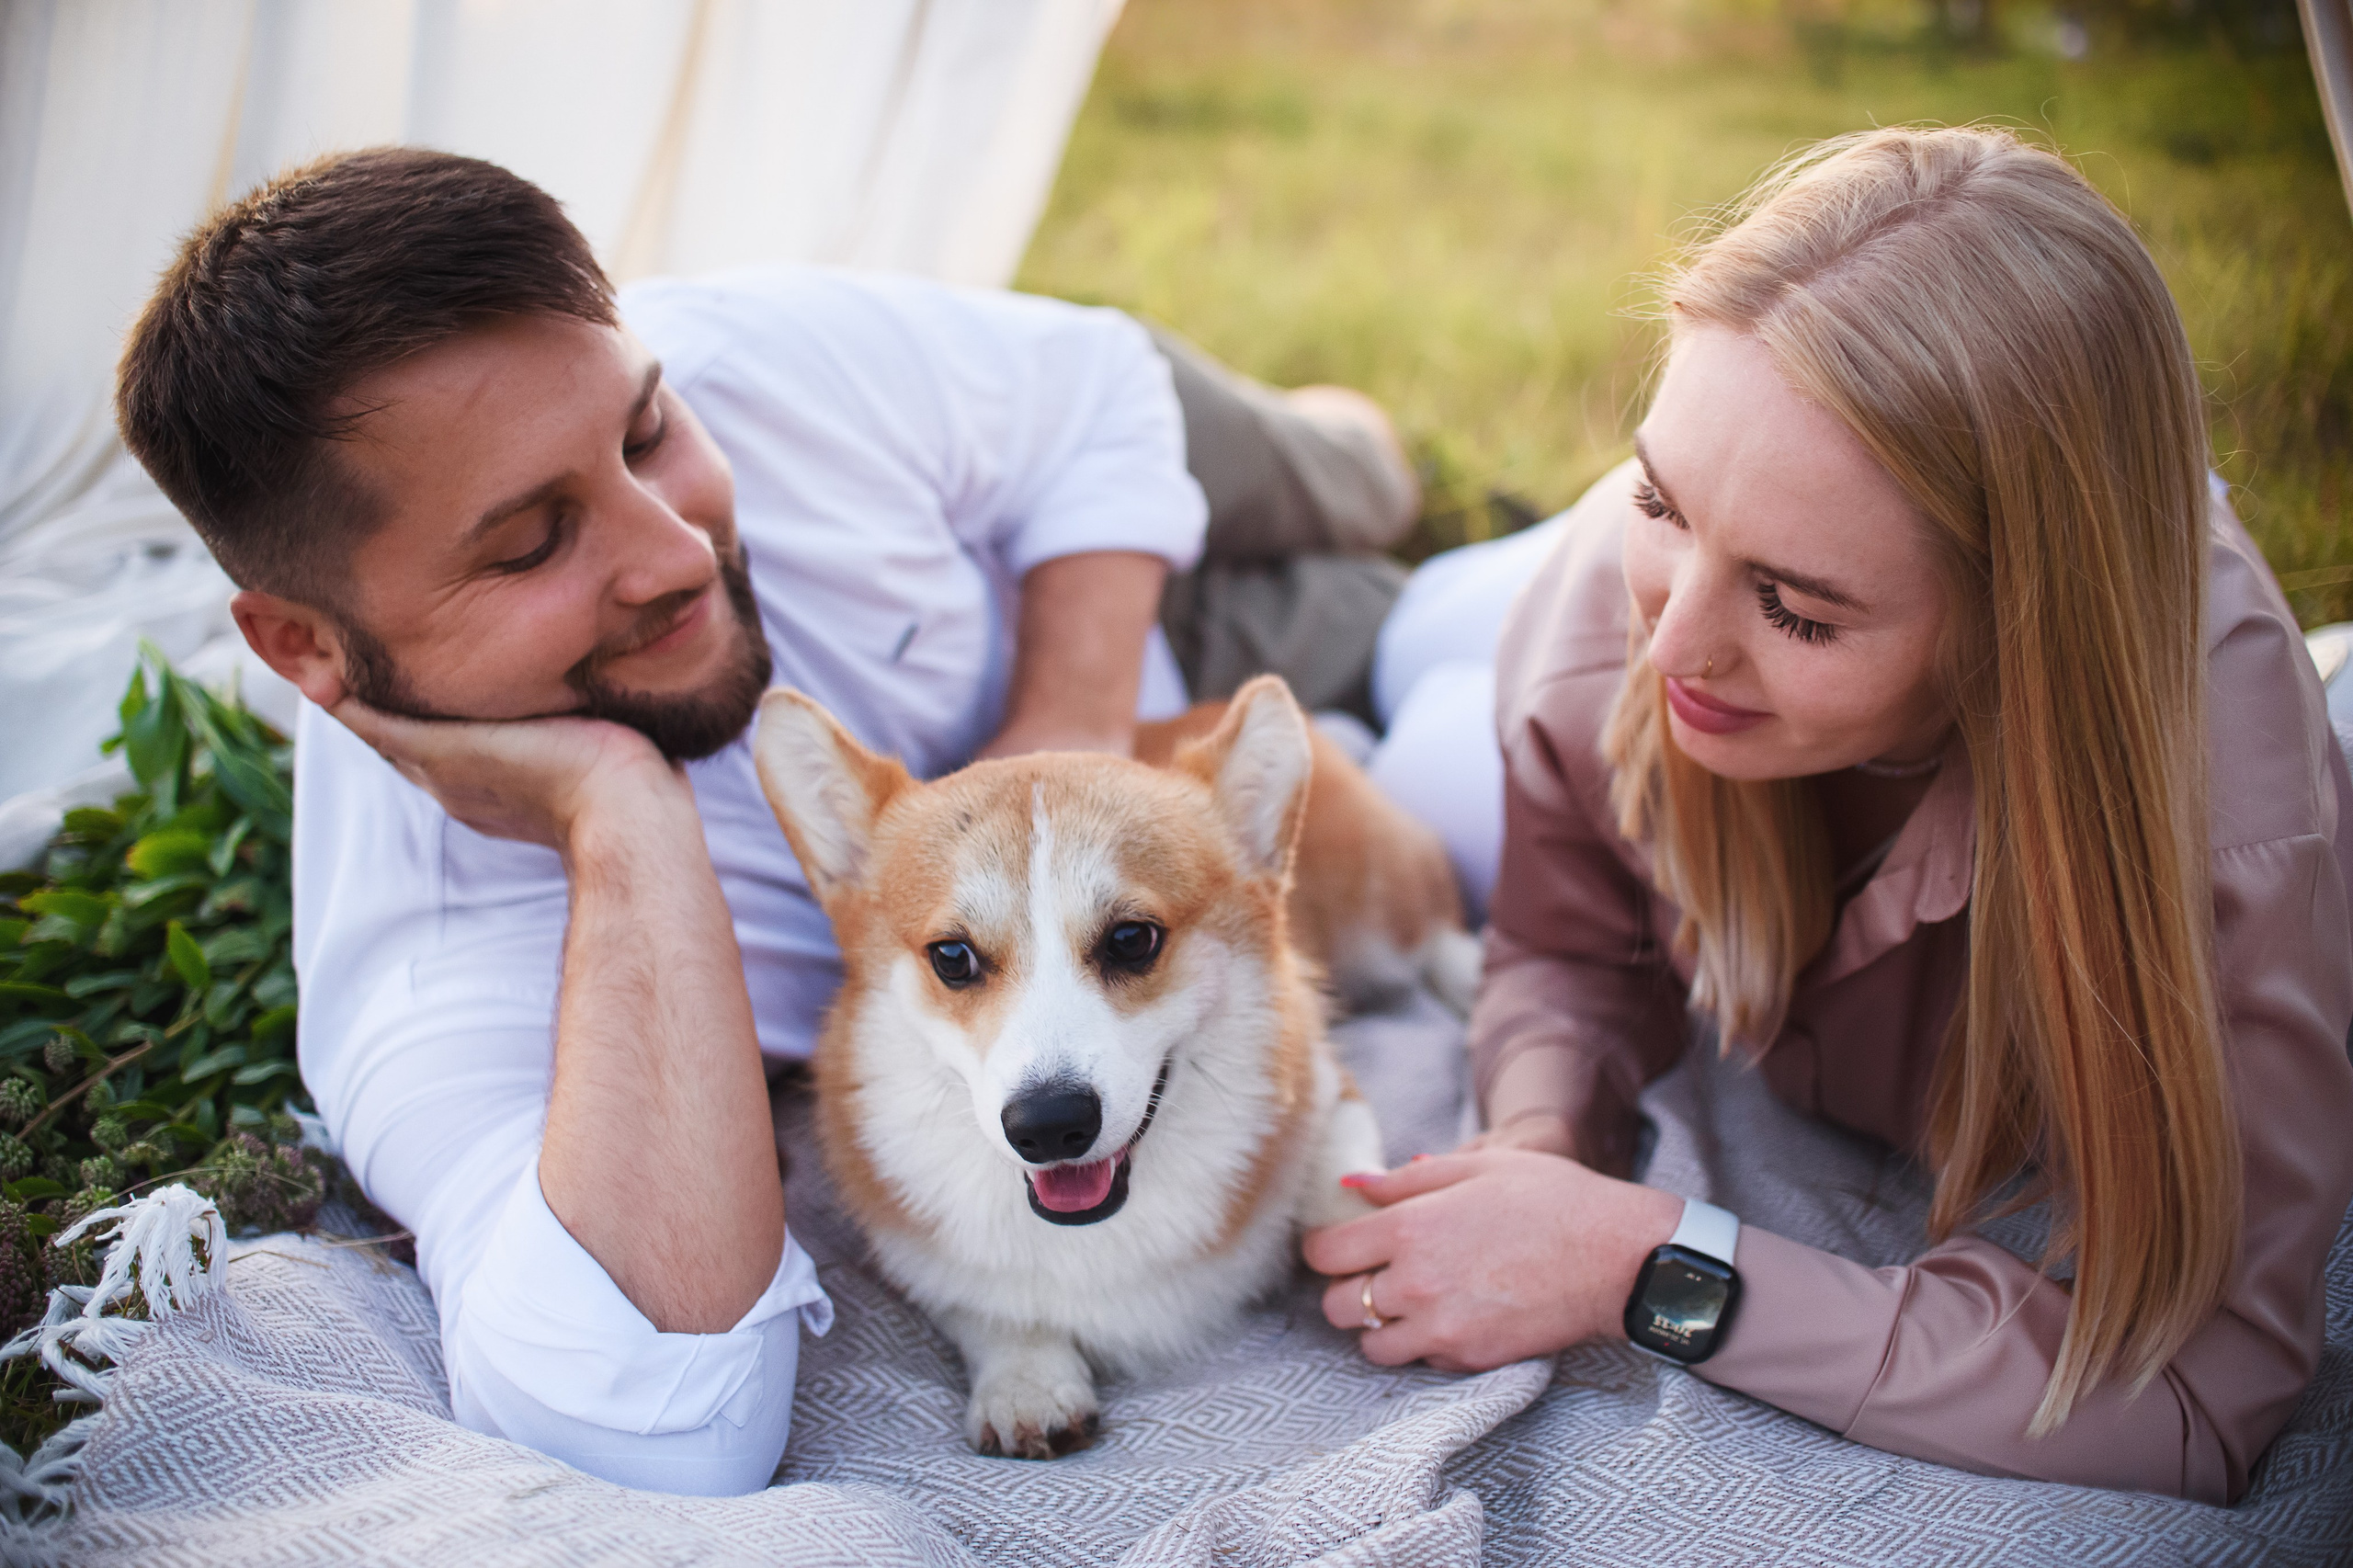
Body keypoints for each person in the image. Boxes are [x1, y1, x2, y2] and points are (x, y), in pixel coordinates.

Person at [112, 147, 1421, 1495]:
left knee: (1364, 480)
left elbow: (1098, 397)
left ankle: (1352, 444)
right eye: (527, 544)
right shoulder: (433, 969)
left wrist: (1063, 751)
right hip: (1184, 697)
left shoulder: (752, 355)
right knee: (1395, 627)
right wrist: (621, 817)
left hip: (1059, 524)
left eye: (643, 434)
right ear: (303, 648)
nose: (680, 550)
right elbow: (655, 1417)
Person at [1307, 125, 2353, 1504]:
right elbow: (1566, 957)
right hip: (1519, 593)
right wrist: (1538, 1144)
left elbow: (2189, 1382)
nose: (1672, 650)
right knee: (1428, 698)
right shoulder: (1600, 627)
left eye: (1798, 604)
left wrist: (1645, 1261)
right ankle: (1351, 519)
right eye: (1658, 499)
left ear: (2011, 635)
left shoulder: (2231, 841)